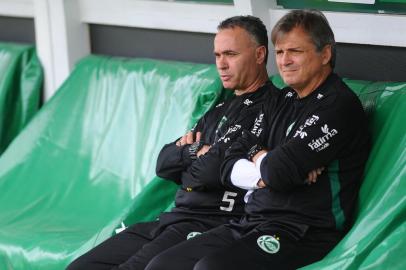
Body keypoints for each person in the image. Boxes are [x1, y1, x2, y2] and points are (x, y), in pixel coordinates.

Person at [143, 9, 370, 270]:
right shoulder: (283, 100)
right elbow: (232, 158)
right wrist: (266, 163)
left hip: (304, 231)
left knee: (211, 268)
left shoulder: (338, 105)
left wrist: (264, 159)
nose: (285, 61)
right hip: (251, 221)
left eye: (295, 51)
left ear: (325, 54)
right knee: (163, 265)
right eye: (281, 52)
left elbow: (277, 169)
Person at [67, 15, 282, 270]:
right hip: (172, 219)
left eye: (231, 54)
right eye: (217, 55)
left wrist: (195, 160)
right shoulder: (218, 109)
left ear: (259, 55)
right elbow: (164, 163)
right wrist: (194, 153)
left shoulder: (273, 107)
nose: (221, 64)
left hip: (211, 223)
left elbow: (211, 171)